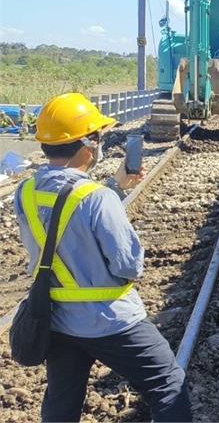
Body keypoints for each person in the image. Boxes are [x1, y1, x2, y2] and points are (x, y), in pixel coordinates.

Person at [13, 93, 191, 422]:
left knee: (61, 402)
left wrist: (115, 187)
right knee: (168, 384)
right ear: (88, 143)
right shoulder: (98, 198)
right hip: (113, 321)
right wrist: (111, 194)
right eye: (98, 136)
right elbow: (128, 266)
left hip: (59, 320)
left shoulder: (24, 193)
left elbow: (61, 221)